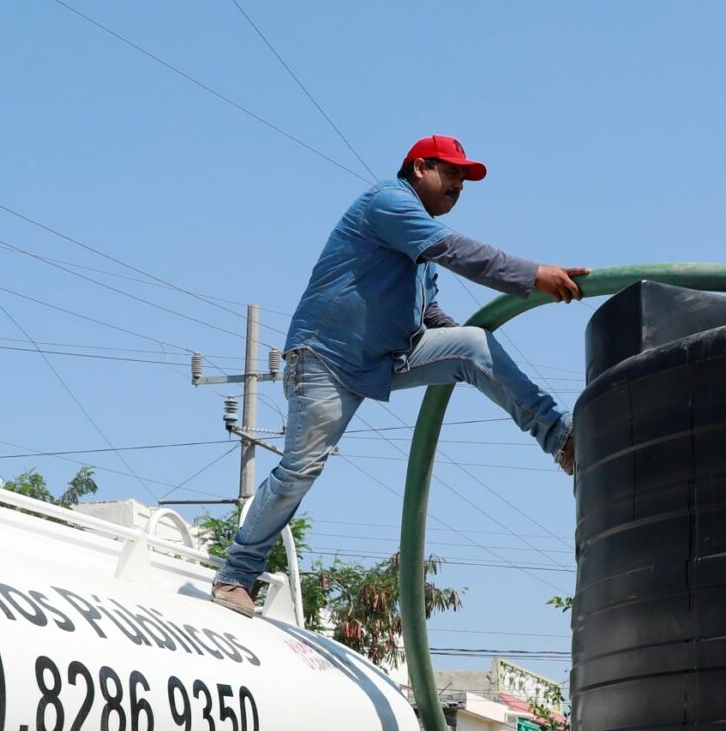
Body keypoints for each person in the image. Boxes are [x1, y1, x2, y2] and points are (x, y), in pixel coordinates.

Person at [209, 135, 590, 616]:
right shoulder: (388, 203)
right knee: (299, 470)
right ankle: (235, 575)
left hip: (388, 358)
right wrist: (534, 274)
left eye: (464, 179)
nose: (458, 185)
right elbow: (457, 250)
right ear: (418, 169)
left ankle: (562, 439)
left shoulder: (420, 250)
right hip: (326, 359)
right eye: (450, 173)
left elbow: (431, 317)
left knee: (472, 345)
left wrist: (469, 348)